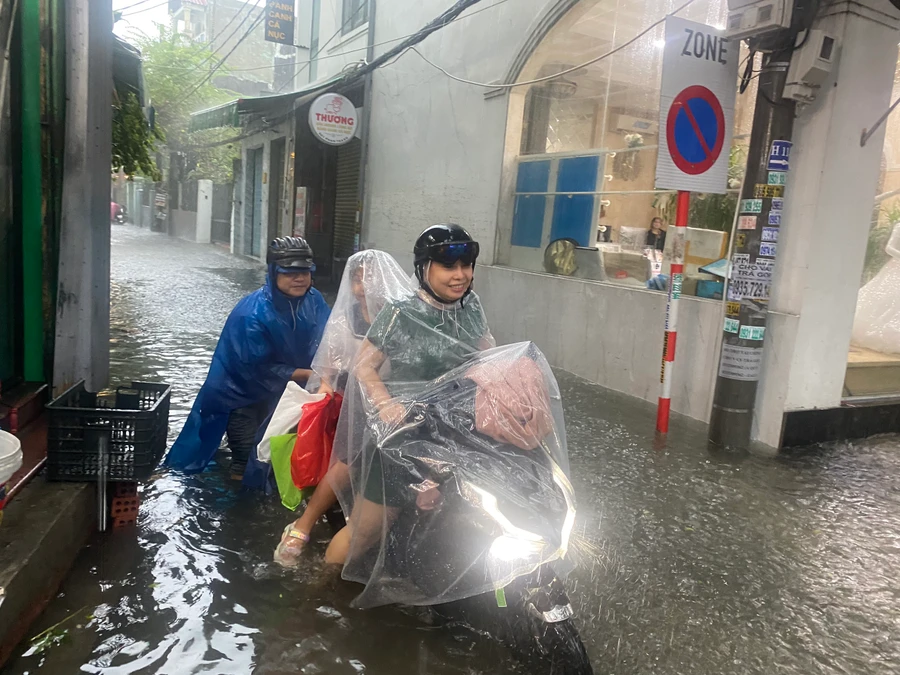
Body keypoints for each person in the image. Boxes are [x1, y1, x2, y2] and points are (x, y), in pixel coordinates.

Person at [323, 224, 497, 568]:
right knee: (366, 531)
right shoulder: (401, 312)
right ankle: (317, 589)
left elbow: (486, 354)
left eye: (466, 266)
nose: (460, 275)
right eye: (449, 267)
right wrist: (387, 405)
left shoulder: (471, 306)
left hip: (456, 434)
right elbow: (364, 367)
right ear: (424, 268)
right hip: (403, 438)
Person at [273, 250, 413, 567]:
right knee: (349, 462)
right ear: (351, 284)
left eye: (372, 277)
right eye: (359, 278)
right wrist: (327, 397)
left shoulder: (400, 318)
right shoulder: (345, 320)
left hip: (395, 402)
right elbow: (327, 369)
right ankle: (303, 524)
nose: (365, 285)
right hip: (351, 400)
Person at [165, 237, 331, 479]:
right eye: (290, 272)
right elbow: (258, 369)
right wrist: (312, 375)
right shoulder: (252, 314)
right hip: (239, 394)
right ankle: (237, 510)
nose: (299, 278)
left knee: (279, 455)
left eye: (304, 272)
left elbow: (330, 336)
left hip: (282, 389)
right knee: (246, 458)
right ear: (274, 273)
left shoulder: (314, 300)